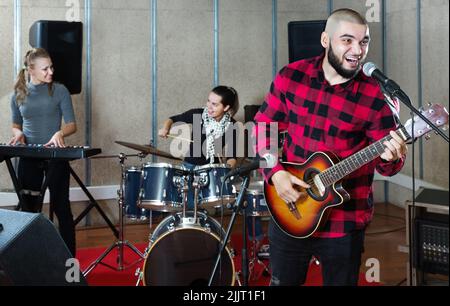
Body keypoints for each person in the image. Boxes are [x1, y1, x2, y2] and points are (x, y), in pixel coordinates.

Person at [254, 8, 408, 286]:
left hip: (344, 222)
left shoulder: (375, 96)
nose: (357, 50)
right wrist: (274, 173)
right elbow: (261, 127)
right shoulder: (292, 76)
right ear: (325, 40)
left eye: (364, 42)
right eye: (347, 40)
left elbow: (388, 166)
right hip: (290, 210)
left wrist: (392, 155)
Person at [9, 48, 78, 256]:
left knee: (62, 208)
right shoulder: (18, 94)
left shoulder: (60, 91)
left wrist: (60, 132)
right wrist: (18, 134)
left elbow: (72, 125)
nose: (51, 72)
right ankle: (31, 260)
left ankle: (69, 262)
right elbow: (16, 124)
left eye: (51, 67)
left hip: (56, 156)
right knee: (29, 210)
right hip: (29, 157)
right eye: (45, 68)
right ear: (31, 70)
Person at [158, 86, 240, 209]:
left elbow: (232, 157)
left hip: (211, 170)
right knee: (188, 206)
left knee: (205, 207)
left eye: (215, 104)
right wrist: (165, 128)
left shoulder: (232, 125)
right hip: (189, 167)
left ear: (226, 107)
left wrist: (227, 171)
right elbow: (172, 119)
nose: (209, 106)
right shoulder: (198, 114)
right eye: (208, 101)